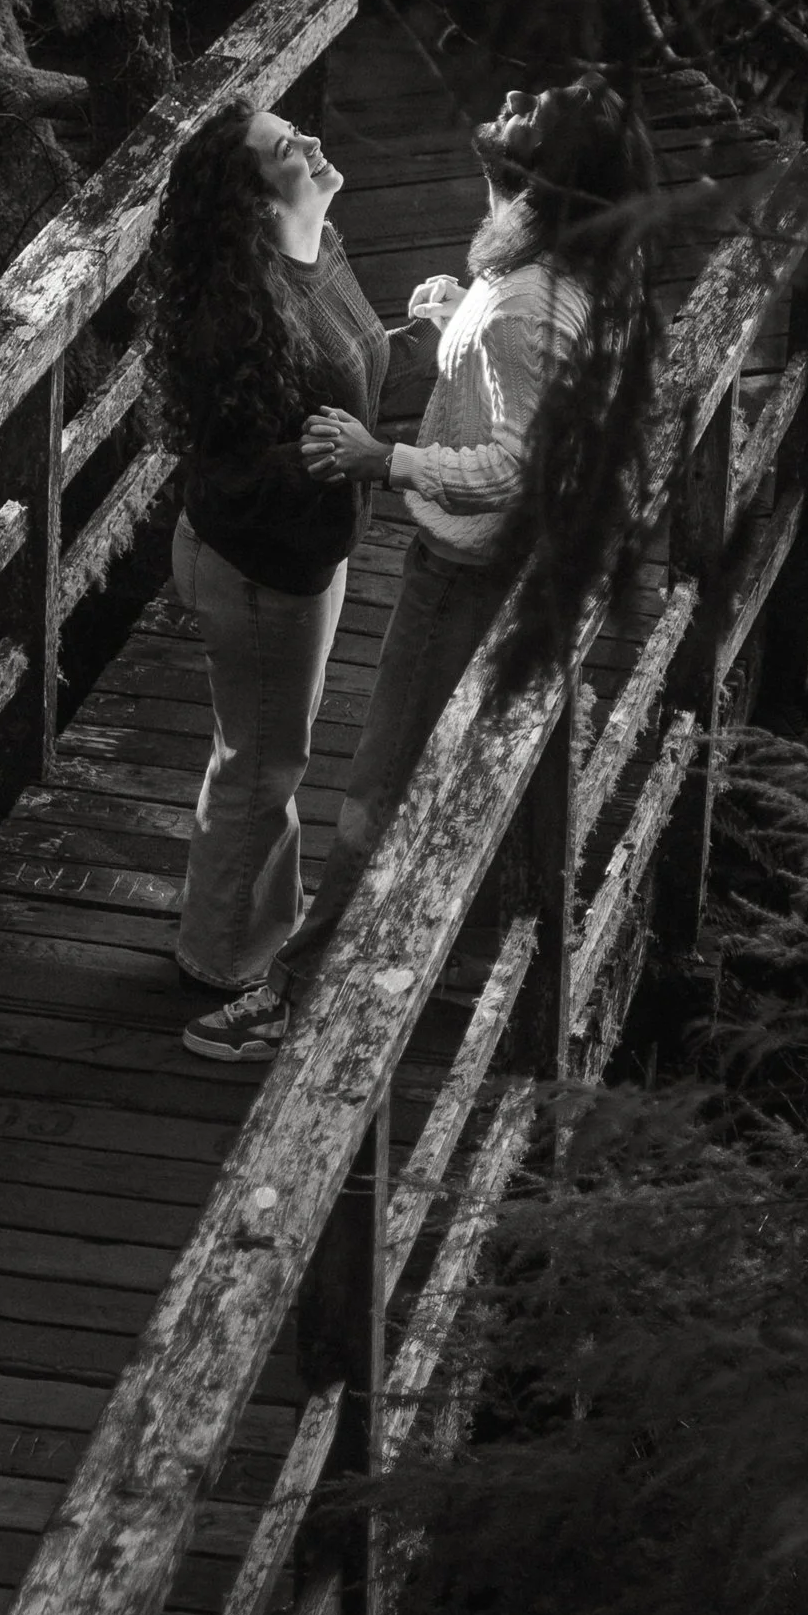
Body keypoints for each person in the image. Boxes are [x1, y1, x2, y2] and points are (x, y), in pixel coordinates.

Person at [182, 80, 631, 1068]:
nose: (511, 92)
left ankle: (289, 997)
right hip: (490, 564)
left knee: (376, 792)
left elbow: (514, 462)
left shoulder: (526, 303)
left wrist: (384, 461)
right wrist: (453, 324)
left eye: (536, 107)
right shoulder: (547, 274)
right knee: (463, 771)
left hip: (466, 568)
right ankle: (485, 953)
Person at [151, 101, 391, 1002]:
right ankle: (221, 963)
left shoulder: (317, 246)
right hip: (255, 569)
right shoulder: (236, 317)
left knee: (267, 756)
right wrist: (331, 456)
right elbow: (227, 475)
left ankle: (257, 929)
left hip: (308, 554)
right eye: (289, 147)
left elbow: (342, 368)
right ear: (254, 203)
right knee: (260, 767)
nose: (317, 143)